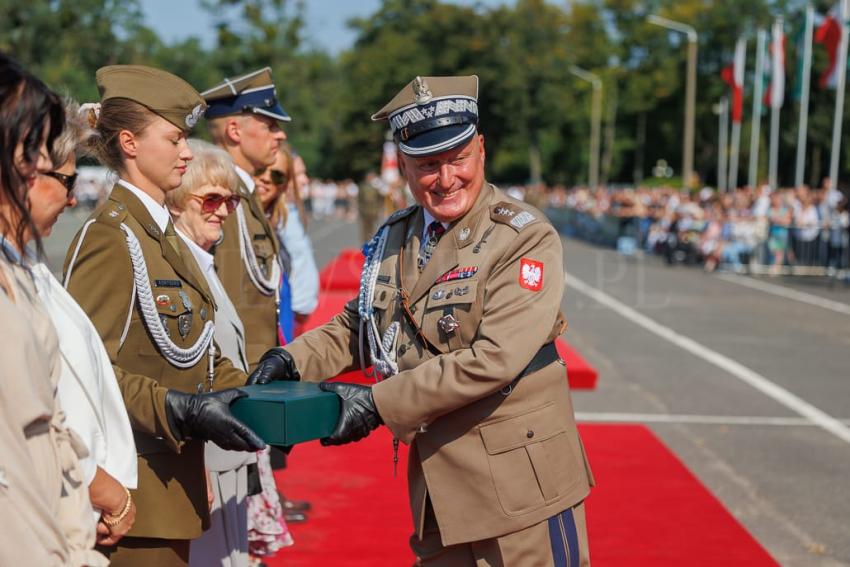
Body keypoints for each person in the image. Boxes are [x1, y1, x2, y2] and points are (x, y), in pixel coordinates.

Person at [251, 76, 594, 565]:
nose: (446, 178)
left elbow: (495, 359)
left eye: (458, 159)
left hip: (522, 485)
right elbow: (359, 326)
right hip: (442, 488)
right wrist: (290, 359)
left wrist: (375, 403)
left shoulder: (521, 237)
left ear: (481, 149)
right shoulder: (398, 233)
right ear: (405, 168)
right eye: (428, 165)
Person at [63, 64, 265, 566]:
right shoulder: (112, 238)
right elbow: (81, 373)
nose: (187, 152)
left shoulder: (160, 235)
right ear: (130, 143)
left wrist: (276, 391)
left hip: (175, 489)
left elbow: (196, 355)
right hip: (131, 502)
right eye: (174, 139)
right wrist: (177, 409)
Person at [0, 50, 104, 567]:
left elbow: (49, 430)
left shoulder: (15, 266)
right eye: (27, 148)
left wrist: (75, 546)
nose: (37, 166)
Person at [28, 98, 138, 548]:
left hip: (71, 510)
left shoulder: (28, 262)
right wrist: (103, 489)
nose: (74, 197)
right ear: (26, 172)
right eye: (67, 181)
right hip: (43, 511)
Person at [202, 67, 287, 371]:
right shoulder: (220, 196)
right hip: (238, 371)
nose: (281, 134)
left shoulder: (243, 193)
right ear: (235, 131)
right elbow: (224, 294)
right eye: (270, 125)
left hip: (256, 365)